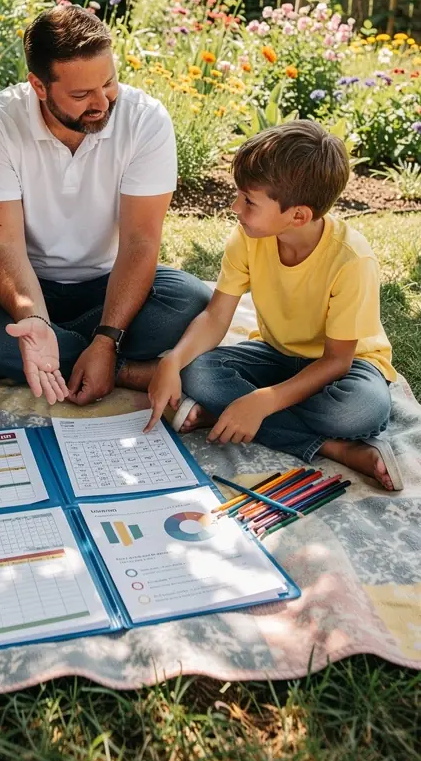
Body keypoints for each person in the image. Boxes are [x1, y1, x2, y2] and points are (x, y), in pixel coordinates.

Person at [0, 5, 211, 405]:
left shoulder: (146, 120)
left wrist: (107, 338)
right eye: (80, 94)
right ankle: (121, 370)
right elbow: (2, 246)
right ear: (39, 86)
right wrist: (33, 320)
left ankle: (15, 360)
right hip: (13, 288)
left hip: (108, 285)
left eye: (108, 83)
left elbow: (141, 241)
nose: (102, 103)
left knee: (189, 300)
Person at [146, 120, 402, 490]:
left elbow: (337, 361)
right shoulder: (248, 237)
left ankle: (225, 414)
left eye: (249, 201)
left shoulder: (351, 260)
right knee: (198, 372)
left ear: (298, 215)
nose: (235, 206)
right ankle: (331, 447)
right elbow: (216, 316)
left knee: (359, 411)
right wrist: (172, 360)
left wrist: (263, 402)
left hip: (345, 369)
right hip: (276, 354)